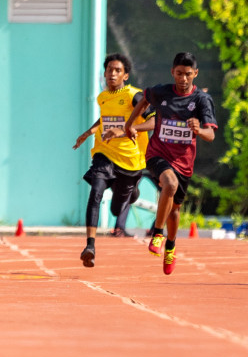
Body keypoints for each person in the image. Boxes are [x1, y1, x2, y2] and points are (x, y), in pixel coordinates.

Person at [126, 52, 217, 275]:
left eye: (188, 74)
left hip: (183, 161)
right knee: (170, 184)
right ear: (172, 72)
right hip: (157, 153)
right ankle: (157, 233)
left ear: (195, 74)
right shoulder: (162, 91)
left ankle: (171, 245)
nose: (183, 79)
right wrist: (130, 124)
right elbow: (143, 98)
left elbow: (211, 135)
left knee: (175, 210)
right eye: (179, 74)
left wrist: (199, 129)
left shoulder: (201, 100)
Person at [71, 53, 150, 267]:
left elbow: (154, 121)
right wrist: (88, 132)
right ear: (104, 74)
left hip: (129, 160)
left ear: (125, 75)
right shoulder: (103, 97)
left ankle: (131, 191)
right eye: (109, 70)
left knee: (117, 208)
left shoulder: (135, 96)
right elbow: (105, 117)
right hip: (104, 153)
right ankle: (90, 246)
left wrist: (125, 130)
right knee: (96, 191)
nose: (112, 74)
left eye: (117, 71)